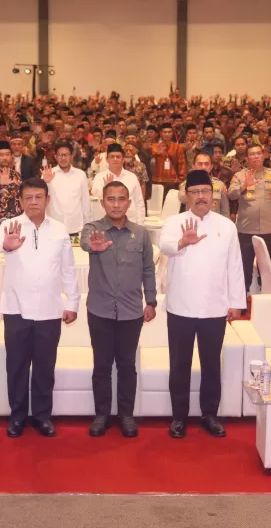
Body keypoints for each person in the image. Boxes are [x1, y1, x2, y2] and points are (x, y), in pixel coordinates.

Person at [159, 170, 246, 438]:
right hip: (180, 308)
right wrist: (181, 243)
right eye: (195, 192)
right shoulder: (174, 222)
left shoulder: (226, 226)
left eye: (205, 192)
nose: (200, 197)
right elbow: (163, 246)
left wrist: (236, 302)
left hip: (214, 308)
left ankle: (210, 415)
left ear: (214, 195)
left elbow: (235, 267)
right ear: (186, 196)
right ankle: (178, 418)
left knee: (211, 365)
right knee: (180, 365)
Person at [0, 178, 80, 438]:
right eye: (28, 197)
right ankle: (17, 416)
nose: (33, 202)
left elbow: (68, 270)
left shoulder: (60, 229)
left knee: (44, 366)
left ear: (47, 199)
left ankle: (42, 415)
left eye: (38, 197)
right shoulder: (10, 225)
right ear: (20, 201)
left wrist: (72, 302)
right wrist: (6, 245)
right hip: (16, 308)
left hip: (50, 309)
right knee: (16, 366)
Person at [80, 181, 157, 438]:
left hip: (131, 311)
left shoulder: (141, 234)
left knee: (126, 366)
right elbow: (84, 242)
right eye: (110, 199)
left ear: (128, 202)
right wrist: (94, 246)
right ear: (102, 203)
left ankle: (126, 415)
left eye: (121, 199)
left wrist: (152, 301)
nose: (115, 204)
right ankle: (101, 414)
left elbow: (148, 269)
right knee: (101, 365)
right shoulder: (93, 229)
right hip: (100, 310)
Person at [228, 144, 271, 293]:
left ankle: (267, 298)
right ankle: (241, 301)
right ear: (247, 158)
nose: (255, 156)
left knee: (266, 269)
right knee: (244, 267)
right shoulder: (240, 176)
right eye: (252, 154)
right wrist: (243, 187)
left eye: (258, 153)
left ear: (264, 155)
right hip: (245, 230)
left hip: (268, 229)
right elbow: (231, 194)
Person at [44, 141, 91, 237]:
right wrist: (47, 183)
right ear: (55, 157)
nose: (63, 158)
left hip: (75, 227)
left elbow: (85, 202)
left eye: (66, 155)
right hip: (53, 226)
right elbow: (42, 200)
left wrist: (88, 226)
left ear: (71, 156)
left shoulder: (80, 174)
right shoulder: (47, 174)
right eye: (60, 155)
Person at [91, 144, 145, 225]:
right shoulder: (100, 177)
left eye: (118, 157)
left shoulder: (132, 177)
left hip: (130, 222)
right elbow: (95, 199)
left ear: (123, 159)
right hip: (107, 224)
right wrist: (107, 189)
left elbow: (139, 202)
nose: (115, 159)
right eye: (112, 157)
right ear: (107, 159)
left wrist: (140, 225)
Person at [179, 152, 230, 218]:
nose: (203, 167)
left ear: (211, 167)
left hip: (214, 224)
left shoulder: (220, 185)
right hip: (193, 224)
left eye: (206, 164)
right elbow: (182, 198)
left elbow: (225, 211)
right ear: (193, 166)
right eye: (200, 164)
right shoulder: (187, 184)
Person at [150, 123, 186, 194]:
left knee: (171, 203)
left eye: (169, 132)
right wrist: (157, 152)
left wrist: (181, 179)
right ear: (161, 133)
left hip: (173, 180)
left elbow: (181, 163)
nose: (167, 134)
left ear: (172, 133)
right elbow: (151, 159)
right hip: (158, 180)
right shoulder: (155, 146)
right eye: (165, 132)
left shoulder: (178, 147)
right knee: (158, 203)